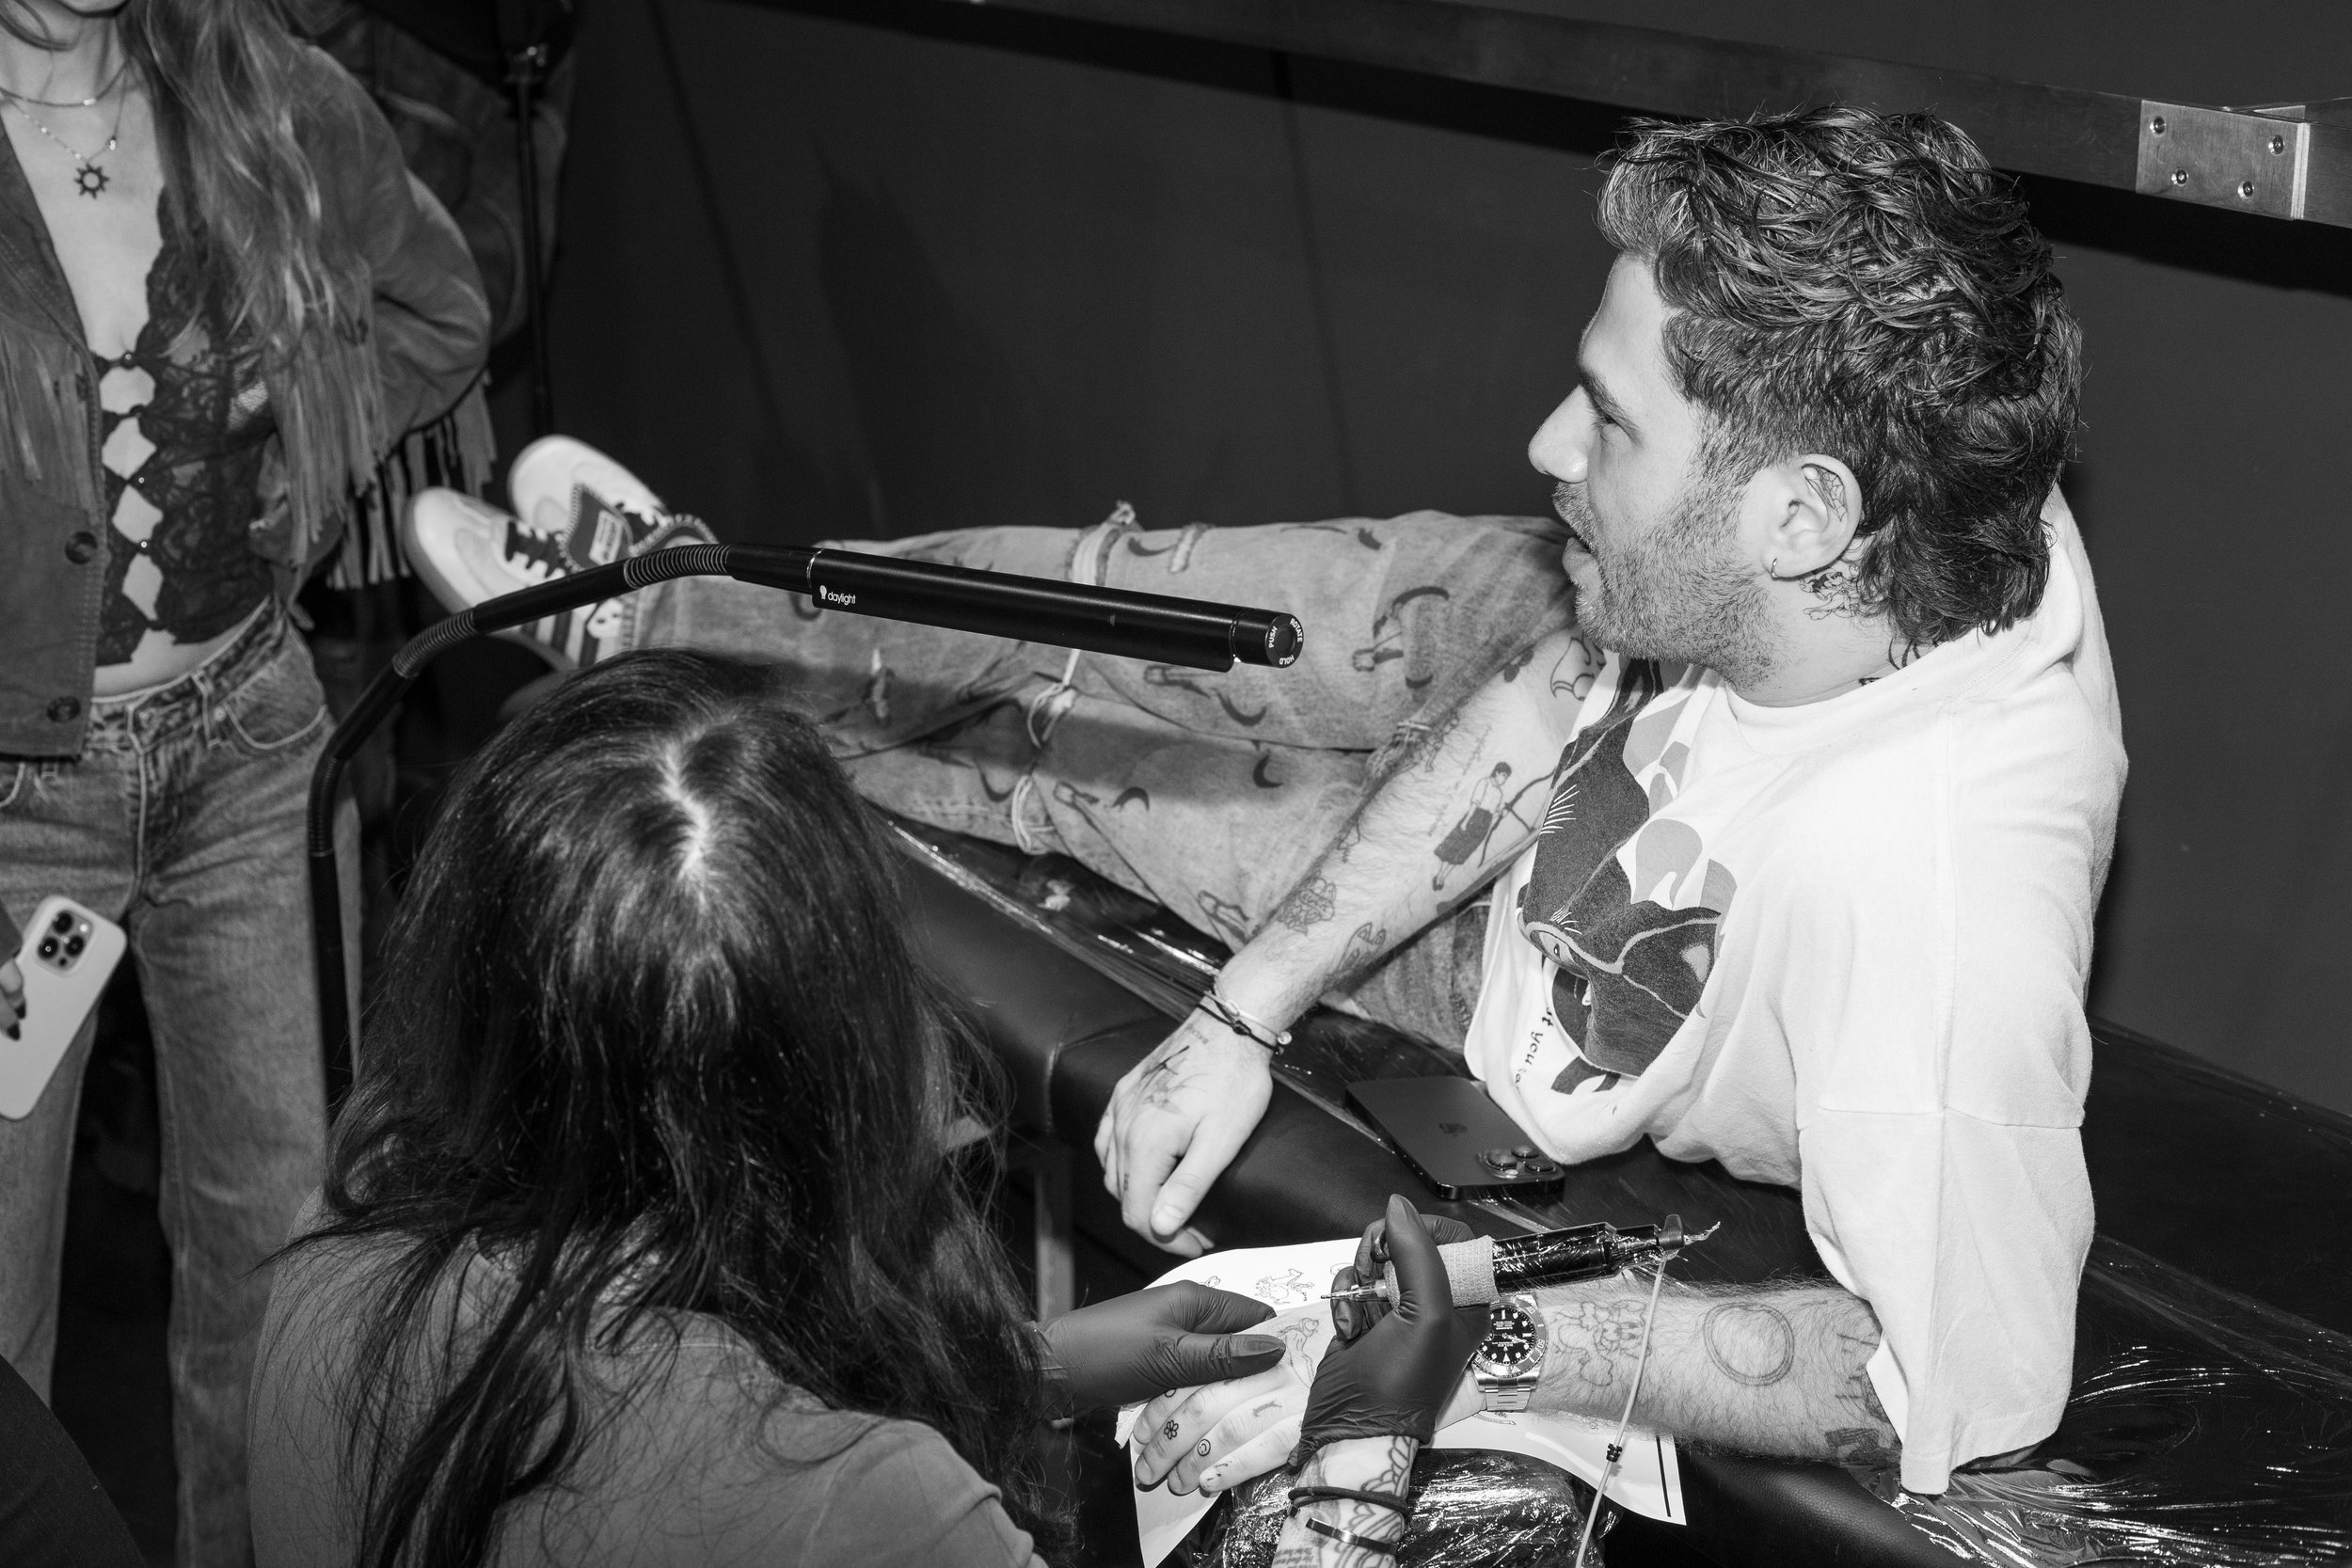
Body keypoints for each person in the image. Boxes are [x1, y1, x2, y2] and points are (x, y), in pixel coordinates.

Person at [401, 105, 2118, 1496]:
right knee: (1113, 597)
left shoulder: (1935, 890)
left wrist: (1469, 1332)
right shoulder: (1856, 507)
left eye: (1609, 419)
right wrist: (1245, 1010)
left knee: (1060, 766)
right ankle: (664, 598)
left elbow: (1938, 1379)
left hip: (1541, 969)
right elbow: (1544, 707)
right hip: (1604, 635)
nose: (1543, 443)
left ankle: (649, 679)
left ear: (1808, 517)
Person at [245, 650, 1484, 1567]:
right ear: (836, 1063)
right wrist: (1358, 1464)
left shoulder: (333, 1258)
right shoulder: (876, 1515)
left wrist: (1023, 1370)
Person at [0, 0, 489, 1558]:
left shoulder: (264, 93)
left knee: (282, 1264)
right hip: (21, 820)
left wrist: (305, 466)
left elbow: (437, 309)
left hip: (247, 761)